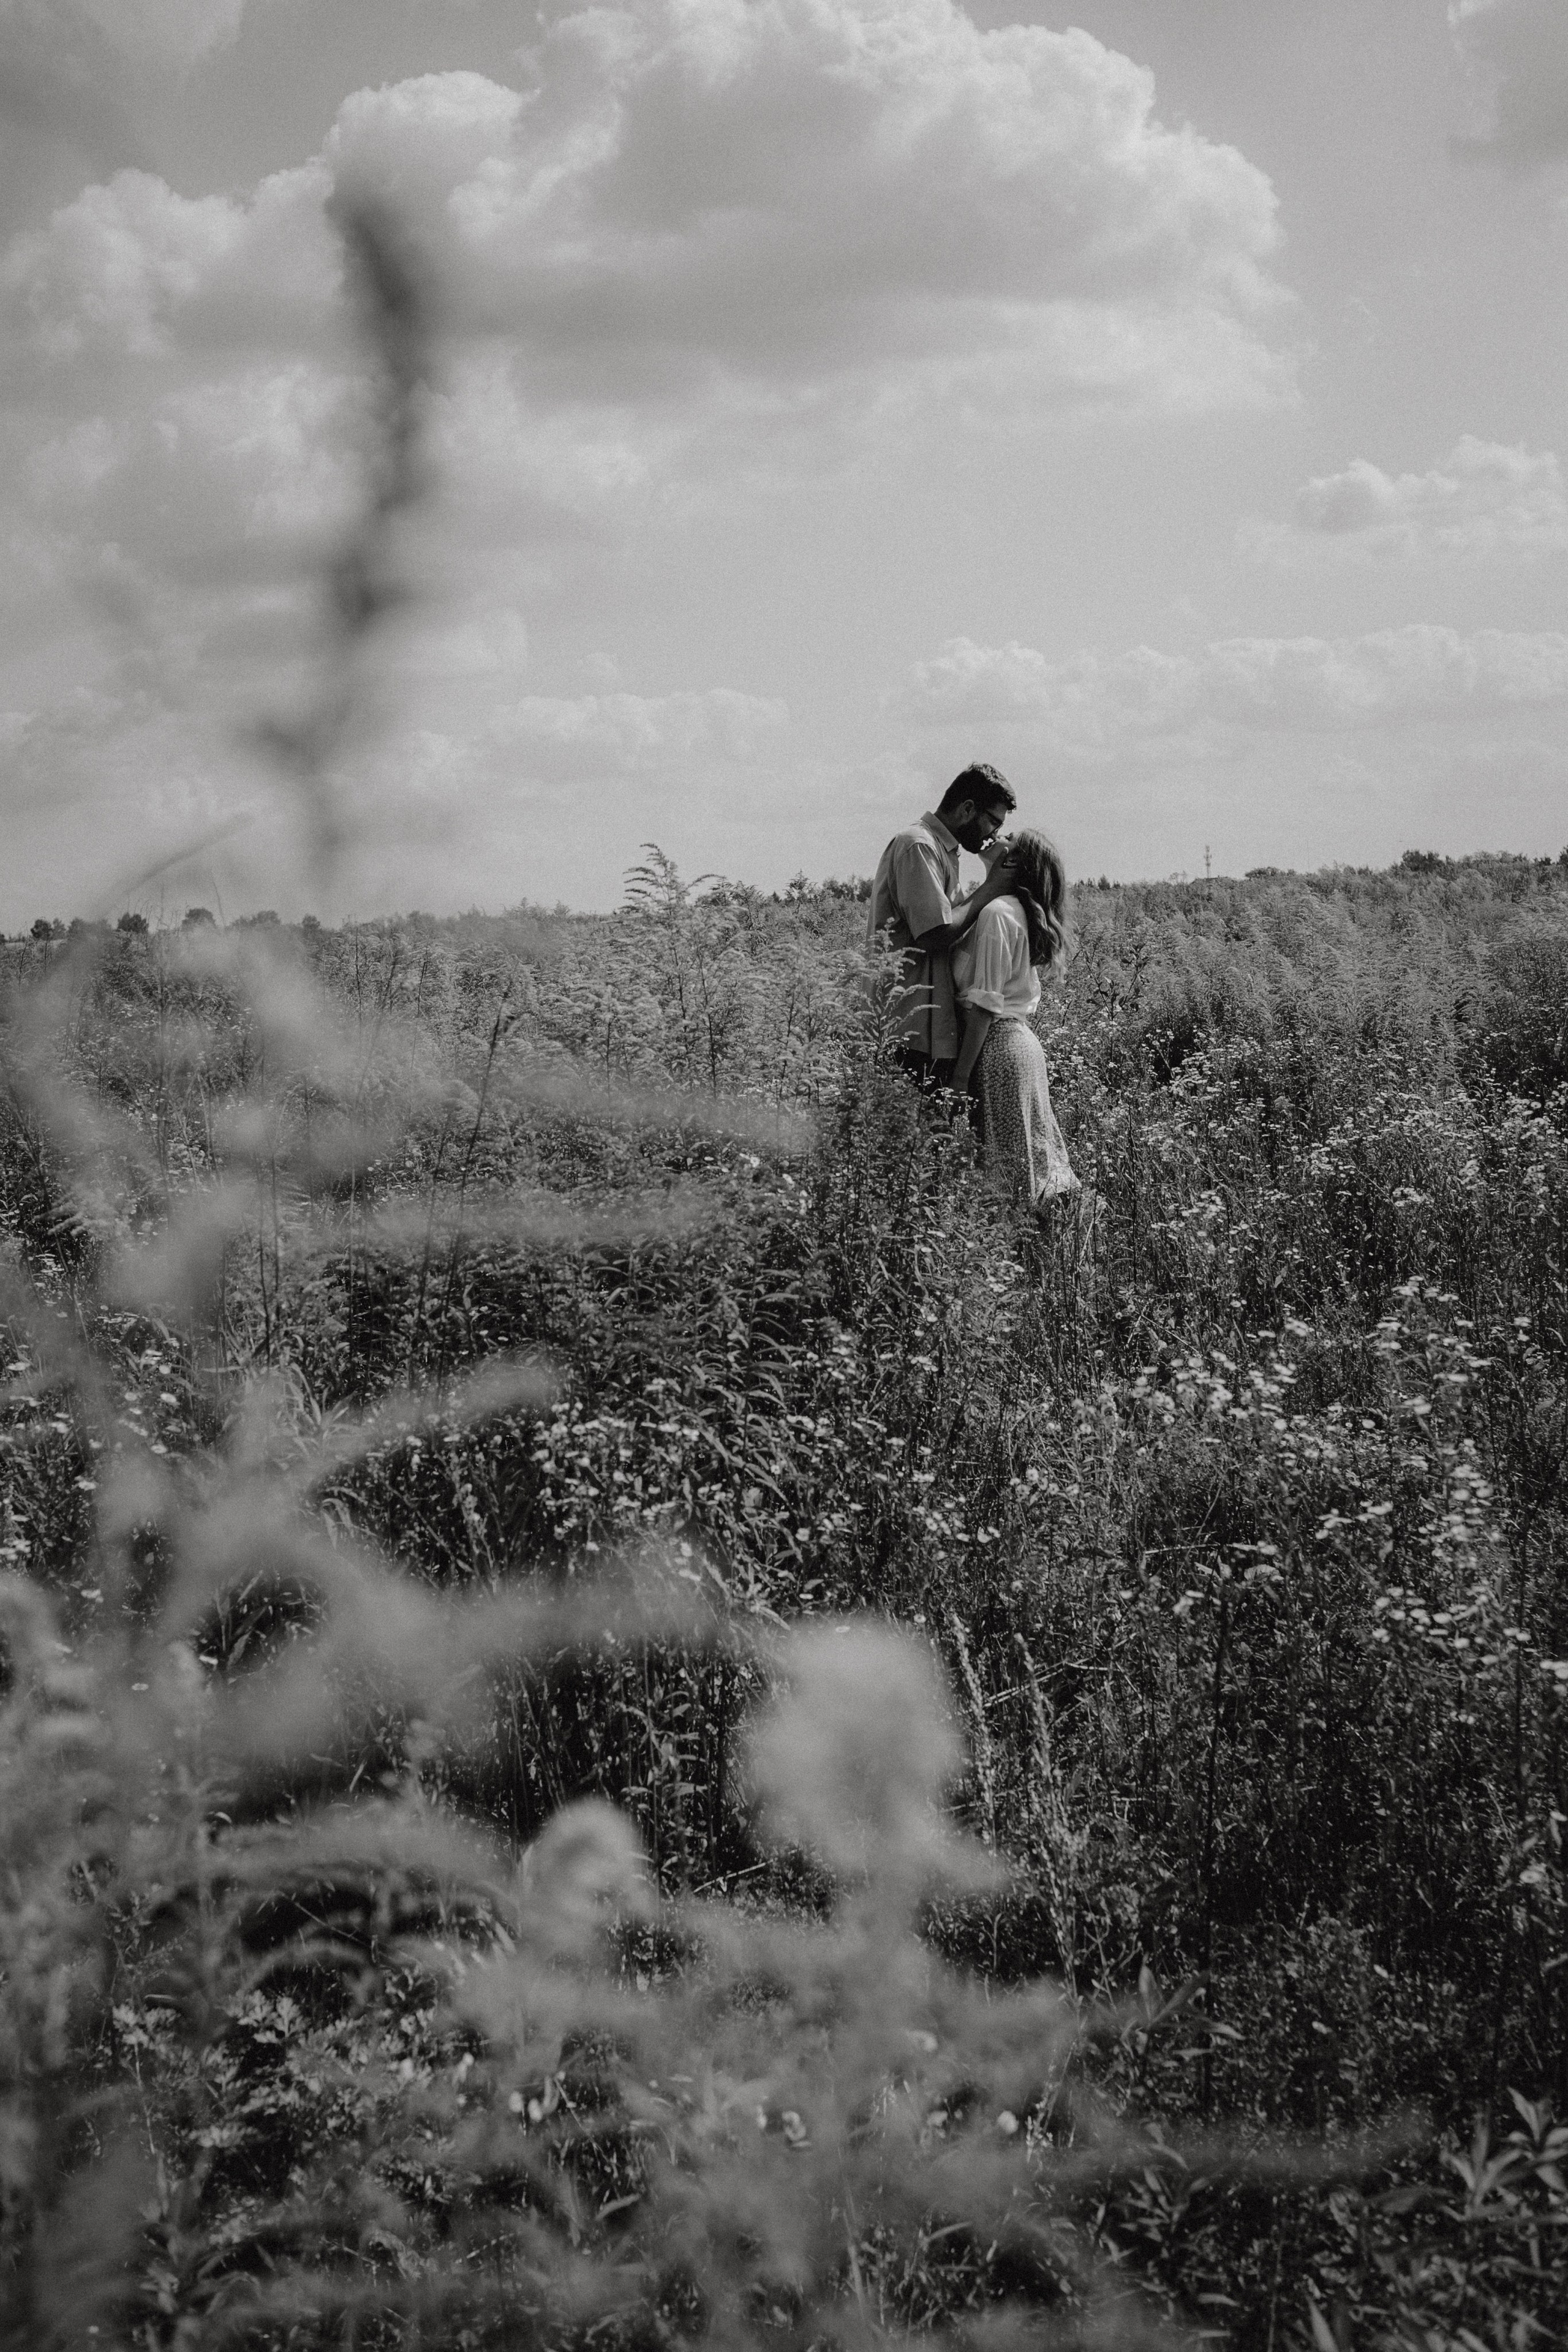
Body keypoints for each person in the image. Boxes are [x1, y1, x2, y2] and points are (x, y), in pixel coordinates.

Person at [951, 827, 1079, 1215]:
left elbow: (985, 1006)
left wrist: (959, 1078)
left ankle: (1027, 1248)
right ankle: (1049, 1245)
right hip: (1018, 1047)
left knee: (1009, 1177)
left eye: (1007, 837)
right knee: (1029, 1167)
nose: (996, 837)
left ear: (1014, 861)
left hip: (998, 1049)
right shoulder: (1012, 910)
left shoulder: (997, 913)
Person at [867, 764, 1017, 1085]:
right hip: (906, 1031)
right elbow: (934, 935)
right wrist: (991, 888)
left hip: (928, 1031)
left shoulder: (942, 851)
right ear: (968, 809)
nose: (994, 834)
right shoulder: (919, 846)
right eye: (993, 822)